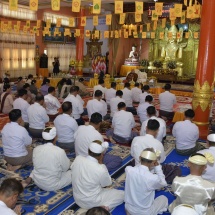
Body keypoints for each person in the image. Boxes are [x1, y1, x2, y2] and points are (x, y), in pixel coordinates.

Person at [71, 141, 124, 210]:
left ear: (88, 151)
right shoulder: (101, 168)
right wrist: (101, 162)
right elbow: (107, 184)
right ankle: (105, 207)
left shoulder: (78, 159)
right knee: (123, 195)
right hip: (92, 202)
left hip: (77, 199)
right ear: (101, 155)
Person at [22, 127, 72, 191]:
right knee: (74, 172)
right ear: (55, 138)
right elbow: (66, 168)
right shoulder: (59, 151)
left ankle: (31, 177)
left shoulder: (36, 149)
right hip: (51, 185)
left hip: (37, 181)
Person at [125, 149, 168, 215]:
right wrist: (158, 167)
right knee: (164, 198)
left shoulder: (128, 169)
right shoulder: (152, 178)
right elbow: (163, 183)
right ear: (153, 162)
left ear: (139, 158)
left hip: (129, 209)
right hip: (144, 212)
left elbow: (139, 169)